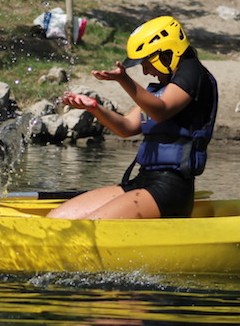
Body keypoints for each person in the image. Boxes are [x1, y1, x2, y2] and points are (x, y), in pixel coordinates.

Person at [48, 16, 217, 220]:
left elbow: (161, 110)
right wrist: (94, 108)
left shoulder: (193, 73)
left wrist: (124, 80)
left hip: (170, 189)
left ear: (168, 53)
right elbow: (126, 127)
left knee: (87, 228)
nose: (145, 71)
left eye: (147, 62)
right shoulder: (163, 87)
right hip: (142, 181)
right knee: (57, 219)